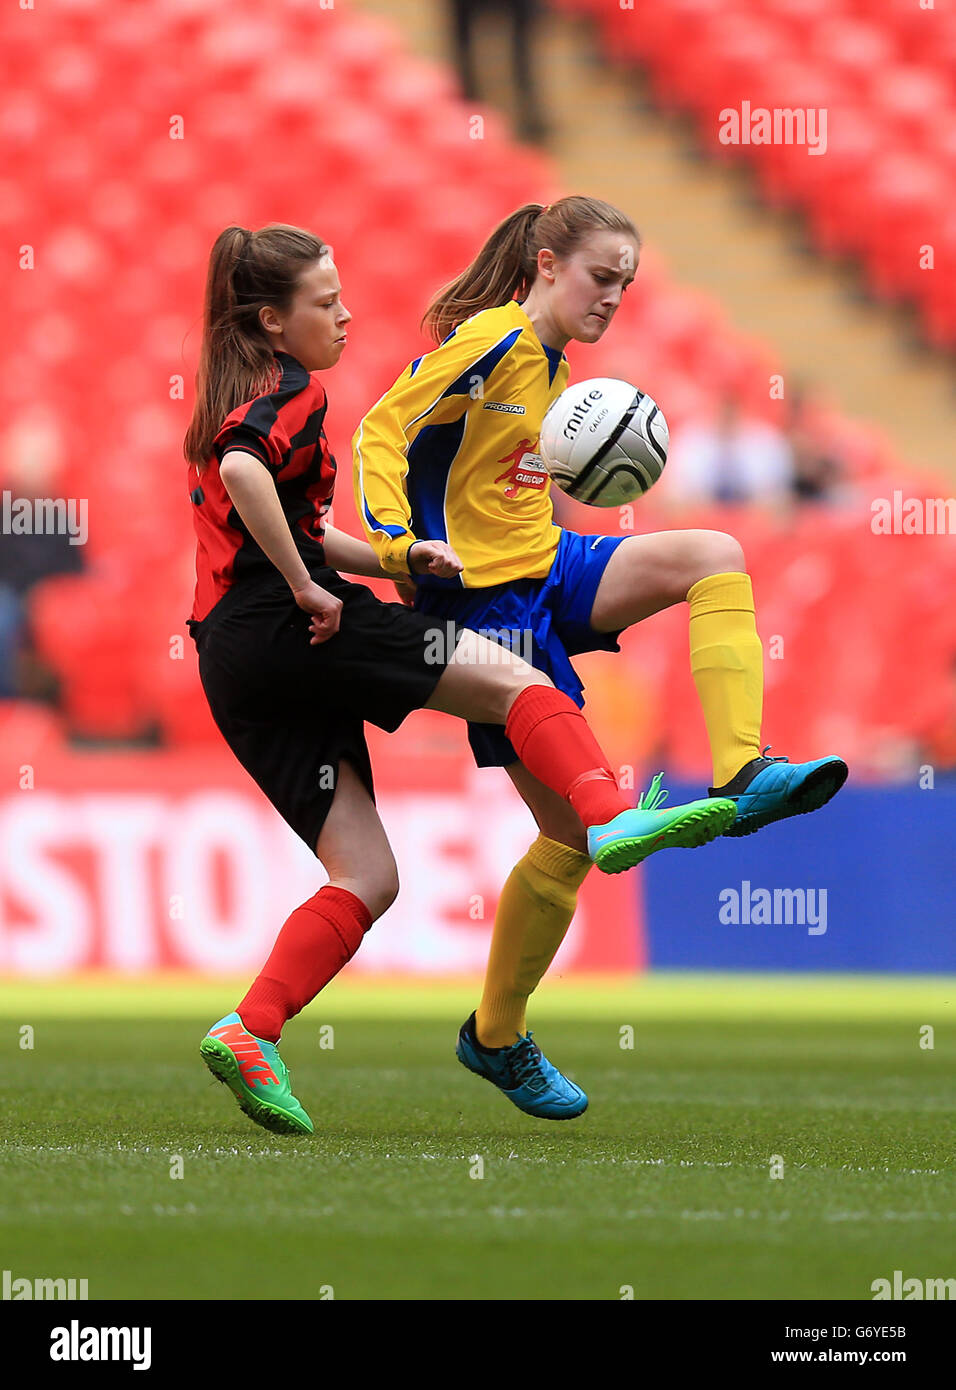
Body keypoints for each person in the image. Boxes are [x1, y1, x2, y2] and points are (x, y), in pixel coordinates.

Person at [184, 223, 737, 1135]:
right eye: (325, 303)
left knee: (365, 876)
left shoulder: (230, 392)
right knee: (519, 685)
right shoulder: (288, 391)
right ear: (274, 322)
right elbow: (248, 470)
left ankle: (251, 1029)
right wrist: (305, 589)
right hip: (295, 623)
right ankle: (612, 819)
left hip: (231, 656)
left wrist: (397, 557)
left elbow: (287, 515)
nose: (346, 314)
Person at [352, 195, 848, 1119]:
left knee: (714, 556)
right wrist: (393, 543)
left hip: (549, 564)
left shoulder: (554, 364)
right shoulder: (489, 344)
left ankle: (744, 769)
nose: (613, 297)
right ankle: (494, 1038)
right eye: (600, 276)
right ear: (545, 264)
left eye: (625, 283)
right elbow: (379, 428)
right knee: (574, 840)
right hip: (477, 604)